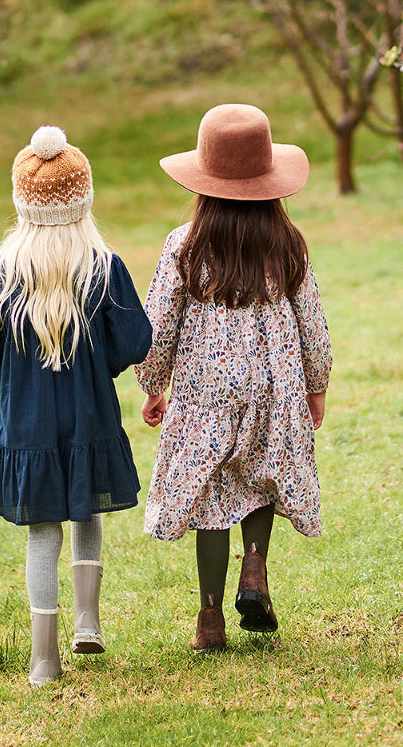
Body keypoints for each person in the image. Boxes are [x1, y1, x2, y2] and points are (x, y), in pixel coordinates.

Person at [0, 125, 152, 685]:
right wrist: (97, 367)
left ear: (22, 204)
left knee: (42, 529)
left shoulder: (2, 271)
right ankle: (87, 620)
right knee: (87, 506)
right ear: (83, 200)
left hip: (26, 420)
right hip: (88, 410)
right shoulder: (102, 265)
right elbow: (134, 340)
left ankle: (45, 659)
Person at [135, 103, 332, 651]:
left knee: (212, 495)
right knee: (264, 473)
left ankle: (210, 619)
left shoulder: (186, 243)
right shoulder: (287, 243)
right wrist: (315, 384)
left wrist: (153, 382)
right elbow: (310, 319)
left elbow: (159, 321)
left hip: (205, 390)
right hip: (275, 383)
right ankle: (255, 568)